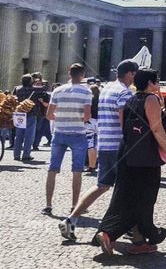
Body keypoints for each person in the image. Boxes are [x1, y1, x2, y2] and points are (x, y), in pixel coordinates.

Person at [93, 68, 166, 256]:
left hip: (128, 153)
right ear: (151, 83)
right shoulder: (150, 99)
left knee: (126, 197)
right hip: (145, 158)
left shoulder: (131, 98)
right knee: (145, 199)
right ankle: (122, 235)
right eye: (157, 80)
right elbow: (157, 128)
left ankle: (129, 239)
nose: (159, 83)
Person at [62, 60, 138, 241]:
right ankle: (126, 228)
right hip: (118, 146)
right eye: (134, 74)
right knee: (129, 189)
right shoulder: (124, 93)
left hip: (104, 143)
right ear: (130, 74)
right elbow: (123, 121)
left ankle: (71, 219)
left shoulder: (107, 88)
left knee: (102, 185)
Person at [43, 64, 92, 216]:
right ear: (82, 75)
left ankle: (48, 205)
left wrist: (60, 119)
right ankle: (74, 206)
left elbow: (49, 115)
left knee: (52, 169)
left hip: (59, 133)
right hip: (78, 133)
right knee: (77, 171)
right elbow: (87, 116)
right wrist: (77, 120)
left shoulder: (58, 90)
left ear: (69, 74)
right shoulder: (86, 91)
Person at [12, 74, 38, 162]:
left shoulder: (17, 89)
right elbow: (45, 89)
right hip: (31, 114)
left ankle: (16, 154)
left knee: (18, 135)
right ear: (31, 81)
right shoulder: (34, 89)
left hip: (19, 114)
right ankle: (26, 154)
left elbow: (13, 98)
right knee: (29, 136)